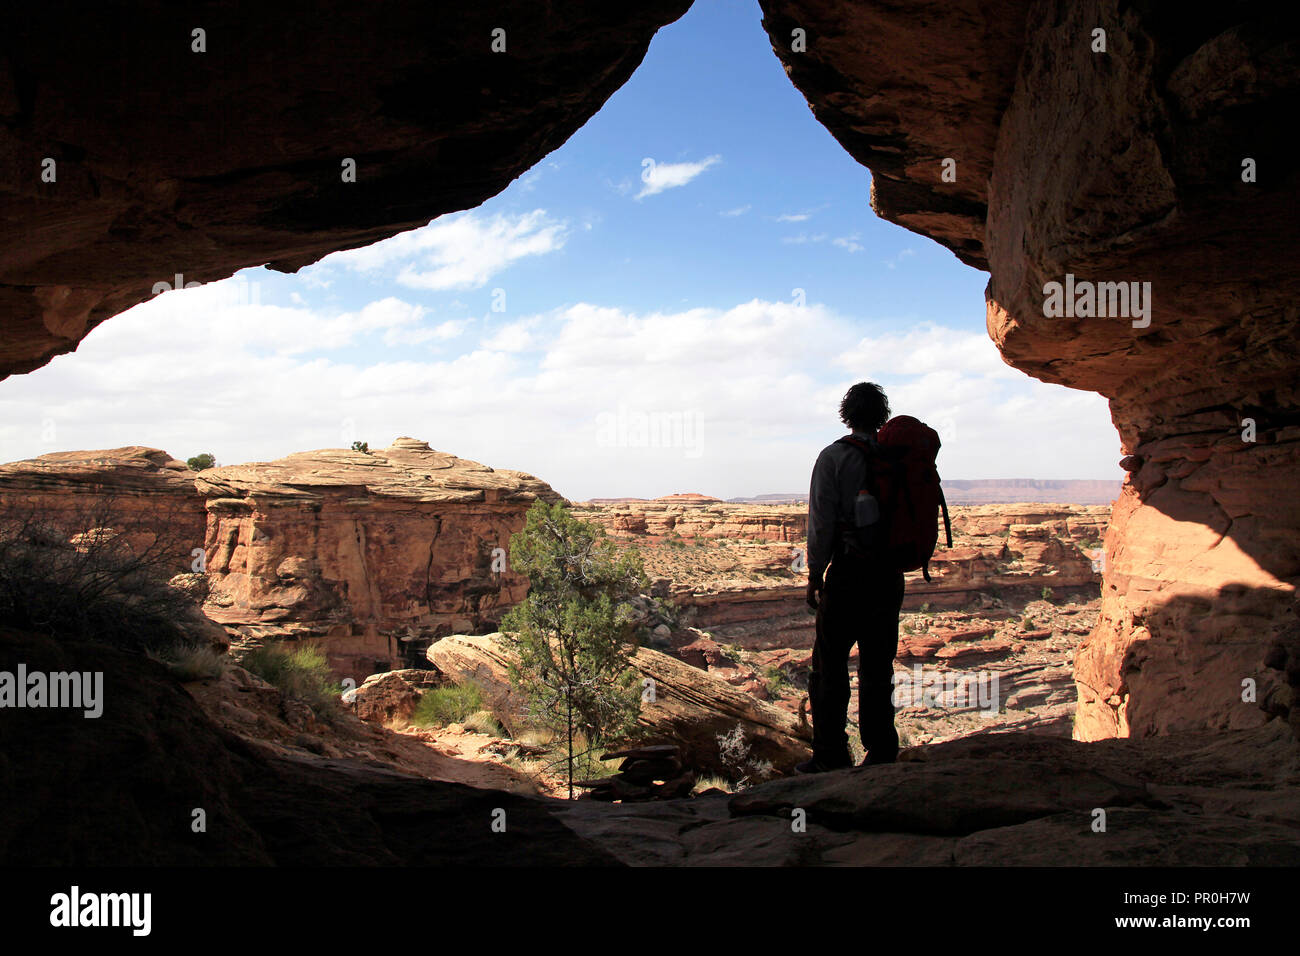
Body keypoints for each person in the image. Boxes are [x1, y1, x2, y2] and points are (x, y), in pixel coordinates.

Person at [799, 382, 905, 773]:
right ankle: (880, 751)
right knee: (878, 665)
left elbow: (821, 522)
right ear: (882, 416)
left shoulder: (834, 458)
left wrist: (814, 573)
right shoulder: (896, 459)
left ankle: (830, 753)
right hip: (888, 576)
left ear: (847, 414)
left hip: (848, 573)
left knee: (829, 664)